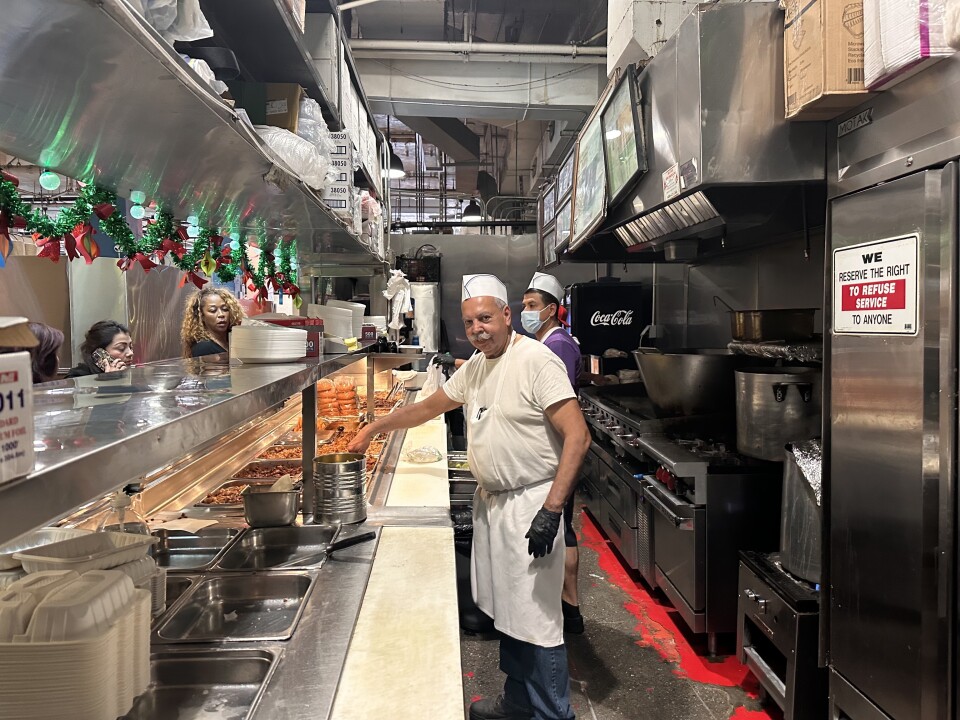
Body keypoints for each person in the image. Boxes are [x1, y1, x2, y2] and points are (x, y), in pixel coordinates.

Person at [349, 273, 591, 720]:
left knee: (538, 622)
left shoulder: (537, 361)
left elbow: (578, 437)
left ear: (506, 315)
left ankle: (554, 714)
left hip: (530, 507)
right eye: (469, 322)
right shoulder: (478, 366)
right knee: (510, 616)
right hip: (495, 507)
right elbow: (428, 407)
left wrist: (551, 511)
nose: (477, 328)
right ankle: (519, 704)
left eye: (485, 318)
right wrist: (373, 428)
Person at [522, 272, 584, 635]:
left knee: (563, 529)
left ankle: (570, 606)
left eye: (532, 306)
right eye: (524, 304)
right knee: (563, 528)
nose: (526, 311)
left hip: (560, 451)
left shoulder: (557, 344)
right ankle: (564, 605)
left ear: (551, 309)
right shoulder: (545, 340)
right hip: (551, 449)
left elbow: (557, 404)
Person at [181, 287, 244, 359]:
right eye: (213, 310)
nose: (221, 314)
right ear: (202, 316)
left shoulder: (233, 341)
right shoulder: (204, 347)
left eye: (225, 309)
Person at [65, 320, 134, 377]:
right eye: (121, 348)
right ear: (99, 352)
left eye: (131, 347)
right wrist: (111, 380)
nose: (131, 353)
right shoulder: (77, 377)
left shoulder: (132, 375)